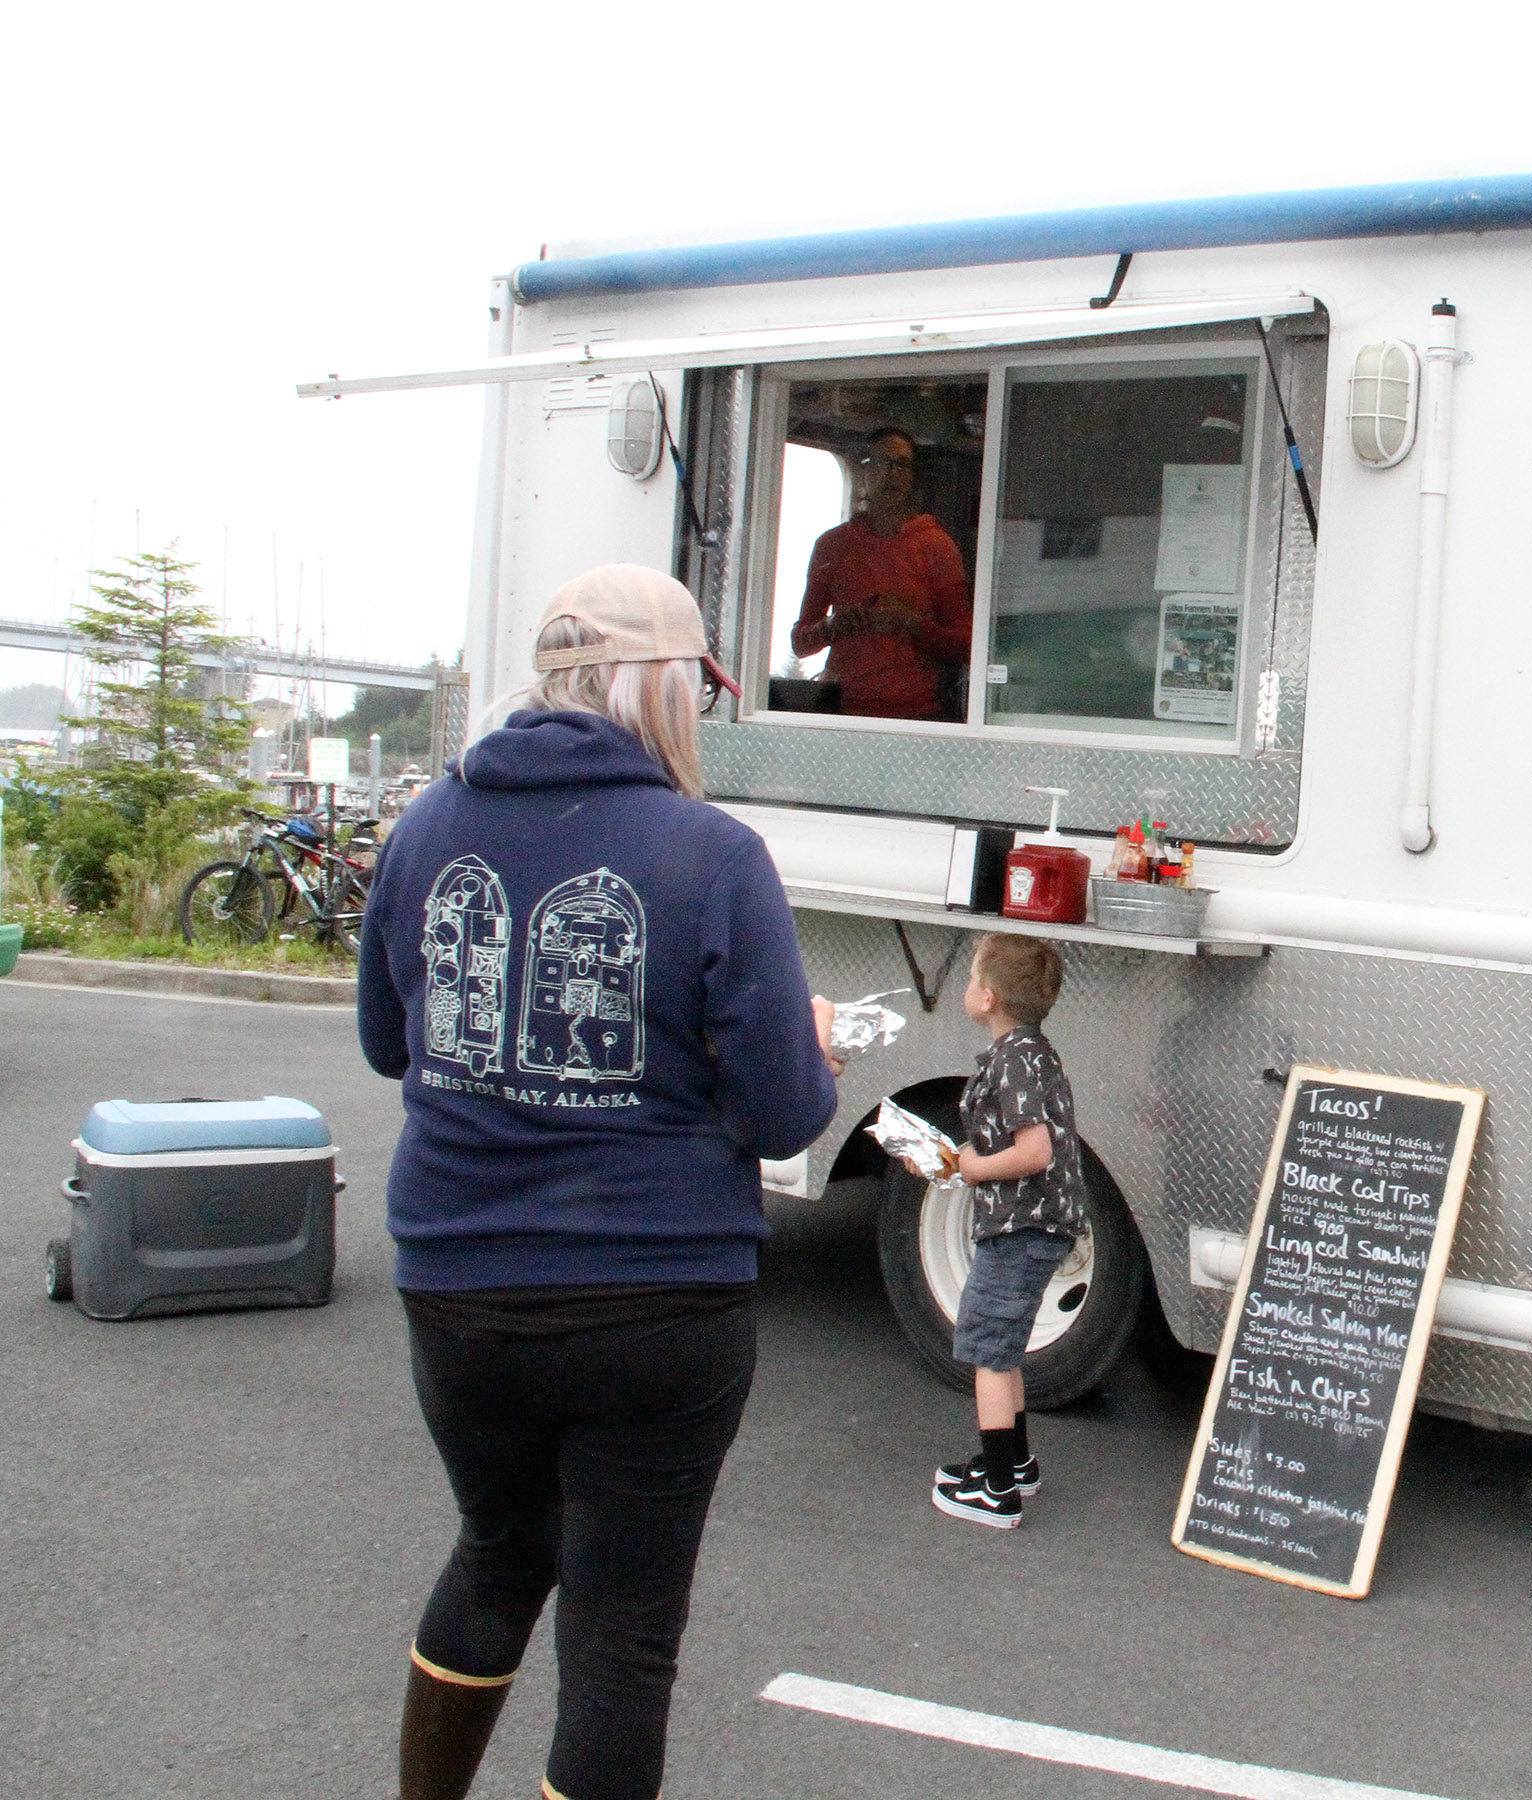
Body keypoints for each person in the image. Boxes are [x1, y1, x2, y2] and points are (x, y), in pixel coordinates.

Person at [357, 563, 844, 1800]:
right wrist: (805, 1044)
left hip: (458, 1286)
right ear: (665, 688)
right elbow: (783, 1113)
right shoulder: (713, 854)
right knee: (622, 1633)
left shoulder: (424, 826)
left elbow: (388, 1044)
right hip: (655, 1298)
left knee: (498, 1553)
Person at [931, 933, 1088, 1528]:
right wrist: (957, 1158)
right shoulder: (1030, 1051)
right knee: (1004, 1346)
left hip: (1024, 1224)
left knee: (988, 1351)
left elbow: (1034, 1151)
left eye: (972, 977)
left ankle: (997, 1492)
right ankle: (1015, 1461)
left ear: (988, 996)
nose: (967, 987)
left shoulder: (1013, 1060)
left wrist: (972, 1168)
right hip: (1032, 1221)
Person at [788, 427, 973, 720]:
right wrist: (834, 625)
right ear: (864, 471)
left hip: (915, 714)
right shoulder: (832, 545)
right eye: (882, 462)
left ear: (913, 477)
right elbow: (800, 644)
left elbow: (966, 646)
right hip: (841, 712)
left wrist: (910, 624)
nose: (891, 473)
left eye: (901, 464)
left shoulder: (937, 546)